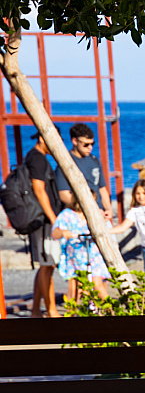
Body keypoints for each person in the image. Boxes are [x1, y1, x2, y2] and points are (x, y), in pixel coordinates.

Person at [25, 127, 63, 317]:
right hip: (43, 220)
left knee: (45, 265)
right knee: (48, 264)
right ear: (42, 138)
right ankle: (51, 310)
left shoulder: (36, 157)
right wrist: (54, 219)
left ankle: (35, 311)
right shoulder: (37, 158)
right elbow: (39, 190)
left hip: (43, 219)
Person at [51, 191, 110, 302]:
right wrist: (64, 232)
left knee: (97, 285)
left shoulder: (95, 214)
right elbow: (55, 233)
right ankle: (72, 314)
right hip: (75, 258)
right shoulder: (67, 214)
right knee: (75, 290)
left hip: (93, 256)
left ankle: (112, 312)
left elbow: (106, 230)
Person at [55, 123, 112, 220]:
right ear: (74, 141)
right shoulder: (65, 163)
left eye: (92, 144)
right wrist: (90, 209)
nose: (90, 147)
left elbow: (102, 189)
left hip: (100, 214)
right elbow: (64, 195)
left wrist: (109, 210)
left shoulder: (95, 160)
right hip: (78, 216)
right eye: (86, 144)